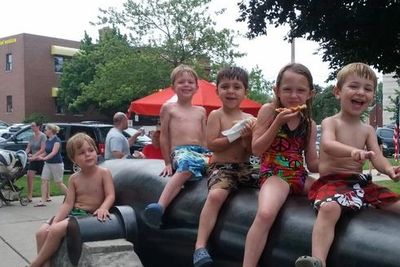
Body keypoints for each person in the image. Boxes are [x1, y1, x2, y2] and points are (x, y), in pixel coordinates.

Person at [295, 63, 400, 267]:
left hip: (360, 184)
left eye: (368, 89)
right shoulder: (331, 122)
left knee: (396, 203)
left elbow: (377, 156)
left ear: (372, 96)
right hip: (332, 182)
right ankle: (317, 261)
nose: (361, 92)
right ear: (338, 92)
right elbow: (328, 144)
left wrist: (388, 169)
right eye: (354, 86)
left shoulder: (368, 129)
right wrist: (352, 151)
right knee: (330, 209)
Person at [243, 63, 319, 267]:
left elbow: (312, 164)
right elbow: (257, 149)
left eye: (301, 90)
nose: (294, 95)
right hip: (275, 174)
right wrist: (277, 123)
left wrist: (341, 160)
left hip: (300, 176)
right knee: (266, 213)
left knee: (333, 197)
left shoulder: (309, 123)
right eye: (287, 89)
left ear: (310, 93)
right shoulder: (268, 111)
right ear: (276, 90)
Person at [193, 67, 256, 267]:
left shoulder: (250, 119)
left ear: (245, 91)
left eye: (237, 87)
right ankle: (200, 245)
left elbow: (251, 150)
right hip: (222, 166)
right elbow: (211, 144)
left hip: (245, 166)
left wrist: (246, 137)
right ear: (217, 91)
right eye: (225, 87)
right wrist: (235, 134)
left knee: (271, 184)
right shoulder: (216, 116)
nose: (231, 91)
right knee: (216, 195)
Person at [30, 133, 115, 267]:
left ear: (96, 151)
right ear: (73, 159)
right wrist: (56, 220)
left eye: (91, 150)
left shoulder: (103, 173)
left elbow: (110, 195)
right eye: (81, 153)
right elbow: (68, 203)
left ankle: (35, 264)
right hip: (73, 214)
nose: (88, 154)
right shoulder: (74, 178)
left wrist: (104, 207)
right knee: (41, 233)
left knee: (56, 230)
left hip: (87, 217)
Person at [143, 64, 208, 227]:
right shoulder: (169, 108)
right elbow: (164, 135)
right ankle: (160, 206)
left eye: (190, 82)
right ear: (173, 87)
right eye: (181, 82)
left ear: (196, 87)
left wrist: (210, 153)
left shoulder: (201, 111)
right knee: (186, 164)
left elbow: (205, 136)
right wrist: (167, 162)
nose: (186, 85)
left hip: (201, 152)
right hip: (181, 151)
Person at [34, 124, 68, 207]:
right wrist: (38, 156)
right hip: (48, 164)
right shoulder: (48, 140)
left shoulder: (57, 140)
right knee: (44, 180)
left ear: (51, 130)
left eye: (46, 130)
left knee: (59, 182)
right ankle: (43, 200)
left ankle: (70, 196)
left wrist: (44, 159)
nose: (45, 131)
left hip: (57, 164)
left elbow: (54, 152)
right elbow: (46, 152)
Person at [25, 121, 47, 202]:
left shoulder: (43, 136)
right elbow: (28, 147)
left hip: (41, 158)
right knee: (29, 175)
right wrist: (25, 153)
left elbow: (42, 149)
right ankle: (29, 196)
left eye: (33, 126)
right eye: (31, 126)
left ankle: (47, 196)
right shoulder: (31, 136)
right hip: (33, 159)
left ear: (38, 127)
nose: (32, 127)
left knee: (44, 178)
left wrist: (34, 156)